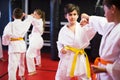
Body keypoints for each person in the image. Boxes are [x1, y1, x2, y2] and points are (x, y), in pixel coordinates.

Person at [81, 0, 120, 80]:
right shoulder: (112, 25)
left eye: (105, 11)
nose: (104, 14)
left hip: (112, 74)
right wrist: (89, 19)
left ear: (113, 9)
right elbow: (102, 23)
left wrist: (105, 69)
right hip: (104, 71)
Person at [55, 3, 96, 80]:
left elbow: (93, 30)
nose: (72, 17)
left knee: (84, 77)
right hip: (67, 56)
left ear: (77, 15)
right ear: (65, 16)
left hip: (79, 55)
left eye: (74, 14)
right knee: (60, 77)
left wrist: (87, 23)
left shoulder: (82, 27)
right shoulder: (63, 30)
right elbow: (59, 43)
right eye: (70, 14)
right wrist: (61, 49)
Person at [2, 8, 33, 80]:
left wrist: (6, 42)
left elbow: (6, 35)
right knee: (21, 62)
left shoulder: (11, 24)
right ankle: (21, 75)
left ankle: (12, 78)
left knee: (12, 65)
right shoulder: (24, 23)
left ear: (13, 16)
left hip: (14, 46)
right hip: (22, 45)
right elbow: (30, 17)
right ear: (22, 16)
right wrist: (25, 14)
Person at [26, 9, 45, 76]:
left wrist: (27, 15)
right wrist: (29, 15)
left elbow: (33, 20)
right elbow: (33, 20)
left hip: (36, 41)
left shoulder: (38, 21)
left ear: (39, 15)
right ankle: (38, 63)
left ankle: (32, 70)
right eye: (33, 14)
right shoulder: (40, 21)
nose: (34, 15)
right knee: (37, 52)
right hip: (38, 40)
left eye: (35, 14)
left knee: (29, 55)